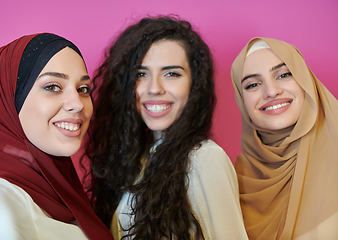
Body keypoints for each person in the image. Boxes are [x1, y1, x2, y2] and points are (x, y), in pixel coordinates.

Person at [85, 16, 248, 240]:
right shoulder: (139, 160)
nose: (154, 88)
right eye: (141, 74)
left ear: (194, 84)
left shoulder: (204, 158)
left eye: (171, 74)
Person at [0, 33, 113, 240]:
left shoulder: (57, 192)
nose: (77, 104)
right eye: (52, 87)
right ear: (5, 100)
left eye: (83, 89)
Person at [231, 37, 338, 239]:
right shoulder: (232, 180)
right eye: (253, 85)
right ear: (241, 99)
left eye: (284, 74)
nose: (271, 92)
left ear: (305, 79)